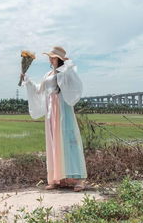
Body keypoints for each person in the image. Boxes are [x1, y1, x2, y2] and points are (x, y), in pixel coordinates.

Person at [21, 46, 87, 191]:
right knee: (54, 141)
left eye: (53, 57)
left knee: (68, 140)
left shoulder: (65, 72)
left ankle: (78, 179)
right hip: (51, 110)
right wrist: (27, 80)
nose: (50, 59)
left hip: (63, 108)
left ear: (59, 59)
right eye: (50, 57)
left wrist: (68, 65)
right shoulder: (48, 74)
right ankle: (57, 178)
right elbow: (40, 89)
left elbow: (75, 83)